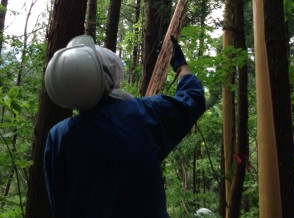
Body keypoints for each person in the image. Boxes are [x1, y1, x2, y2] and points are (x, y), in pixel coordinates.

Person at [44, 34, 205, 218]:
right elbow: (193, 98)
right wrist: (180, 65)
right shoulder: (143, 114)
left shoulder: (57, 137)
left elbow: (57, 200)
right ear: (106, 77)